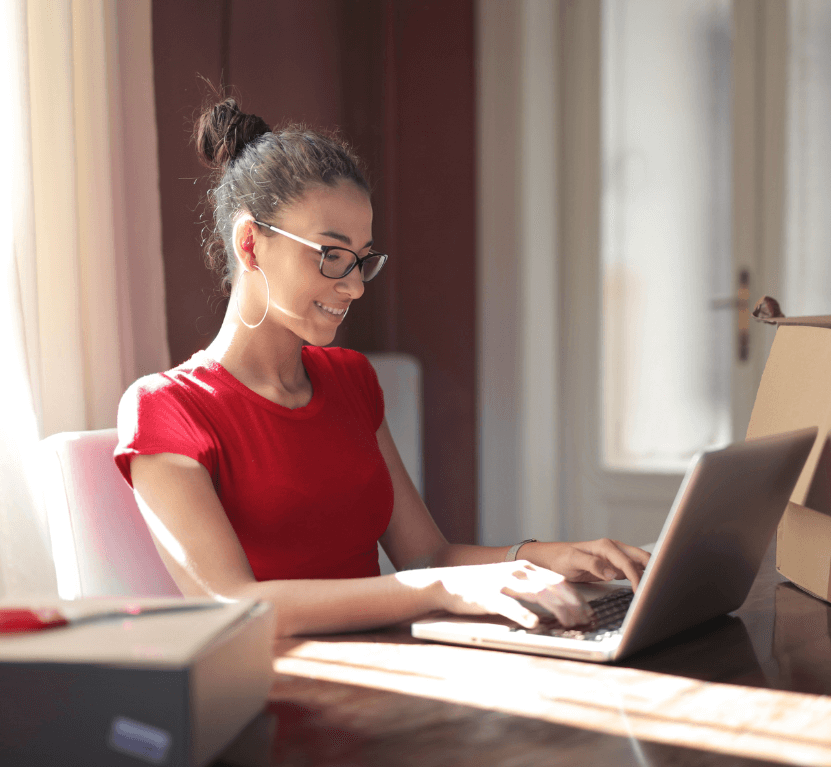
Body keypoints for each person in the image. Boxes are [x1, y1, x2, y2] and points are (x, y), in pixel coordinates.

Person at [115, 97, 650, 638]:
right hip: (283, 689)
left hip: (395, 668)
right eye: (331, 254)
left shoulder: (351, 380)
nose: (353, 286)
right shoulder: (165, 408)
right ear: (250, 244)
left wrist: (551, 557)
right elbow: (233, 603)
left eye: (362, 259)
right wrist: (438, 589)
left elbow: (427, 555)